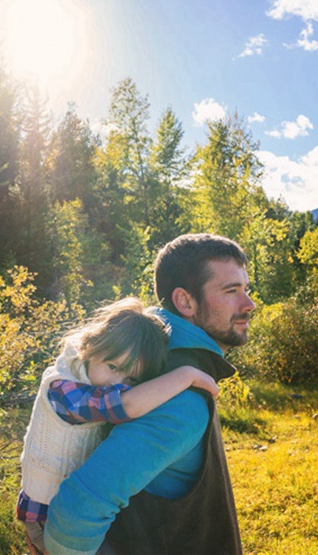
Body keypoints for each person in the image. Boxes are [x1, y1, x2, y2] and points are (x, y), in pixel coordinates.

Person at [44, 233, 256, 555]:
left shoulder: (148, 352)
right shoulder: (180, 393)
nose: (249, 304)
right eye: (231, 291)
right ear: (186, 301)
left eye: (246, 289)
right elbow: (77, 512)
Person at [18, 296, 220, 555]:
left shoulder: (88, 375)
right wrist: (186, 375)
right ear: (90, 347)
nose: (117, 383)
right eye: (113, 366)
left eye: (131, 379)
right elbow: (128, 405)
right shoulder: (63, 389)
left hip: (61, 507)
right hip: (46, 516)